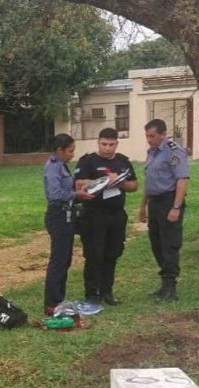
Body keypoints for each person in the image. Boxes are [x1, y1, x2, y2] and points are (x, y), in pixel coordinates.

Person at [74, 128, 137, 306]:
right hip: (94, 215)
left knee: (112, 254)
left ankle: (107, 292)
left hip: (116, 215)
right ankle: (91, 294)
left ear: (117, 144)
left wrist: (120, 182)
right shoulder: (88, 161)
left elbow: (134, 185)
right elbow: (78, 183)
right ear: (98, 143)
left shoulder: (123, 162)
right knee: (94, 255)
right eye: (104, 144)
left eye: (111, 144)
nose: (107, 148)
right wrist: (103, 181)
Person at [138, 119, 189, 302]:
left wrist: (176, 207)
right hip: (154, 202)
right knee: (156, 243)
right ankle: (164, 284)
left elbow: (182, 180)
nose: (149, 140)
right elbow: (148, 181)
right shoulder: (151, 152)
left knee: (169, 244)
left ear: (163, 134)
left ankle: (171, 288)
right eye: (147, 136)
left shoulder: (174, 151)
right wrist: (143, 206)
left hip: (169, 200)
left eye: (152, 136)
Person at [43, 133, 94, 313]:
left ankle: (59, 299)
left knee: (65, 260)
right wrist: (76, 195)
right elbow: (55, 194)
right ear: (59, 150)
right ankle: (52, 303)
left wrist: (80, 189)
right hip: (58, 215)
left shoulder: (61, 166)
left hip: (67, 215)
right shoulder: (52, 168)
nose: (73, 154)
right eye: (70, 151)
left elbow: (66, 189)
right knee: (58, 260)